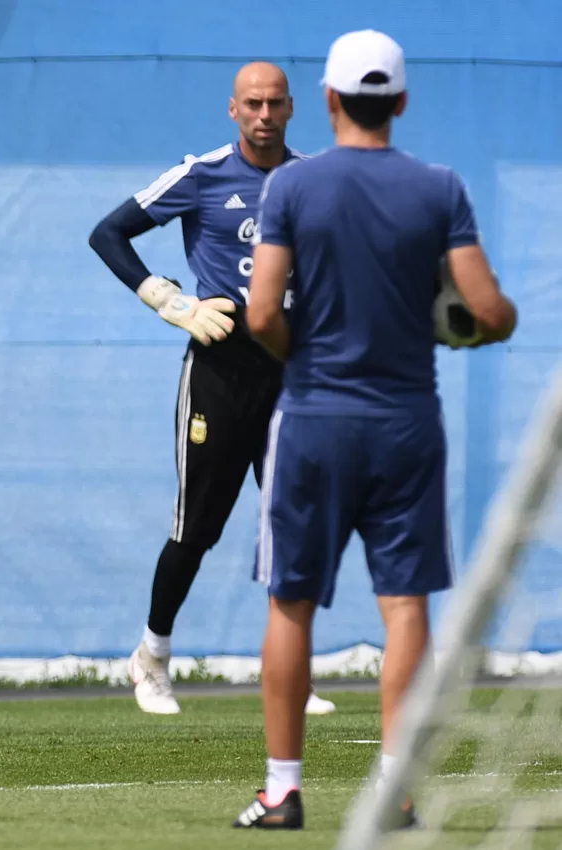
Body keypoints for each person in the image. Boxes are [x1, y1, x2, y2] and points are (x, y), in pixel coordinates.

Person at [233, 30, 517, 829]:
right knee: (405, 609)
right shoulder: (439, 190)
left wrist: (307, 357)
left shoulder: (291, 188)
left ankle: (282, 791)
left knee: (291, 604)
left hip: (314, 419)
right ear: (398, 101)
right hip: (406, 423)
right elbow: (486, 310)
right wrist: (477, 325)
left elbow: (260, 313)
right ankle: (399, 794)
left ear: (325, 100)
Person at [88, 62, 335, 717]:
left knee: (292, 524)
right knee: (197, 529)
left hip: (290, 370)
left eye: (274, 103)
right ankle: (152, 659)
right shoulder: (201, 174)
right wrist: (168, 300)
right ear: (233, 109)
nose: (263, 114)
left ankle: (289, 672)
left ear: (290, 110)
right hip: (219, 372)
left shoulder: (311, 181)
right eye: (251, 103)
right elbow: (107, 233)